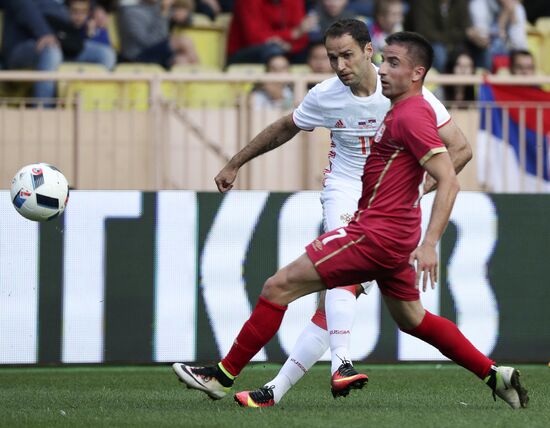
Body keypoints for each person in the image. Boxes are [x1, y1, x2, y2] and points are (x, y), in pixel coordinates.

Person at [172, 29, 529, 411]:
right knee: (412, 318)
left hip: (376, 231)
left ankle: (233, 374)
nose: (381, 69)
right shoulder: (399, 107)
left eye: (391, 63)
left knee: (279, 287)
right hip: (386, 226)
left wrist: (428, 239)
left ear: (413, 72)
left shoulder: (410, 113)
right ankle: (494, 374)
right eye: (333, 57)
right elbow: (286, 127)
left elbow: (450, 178)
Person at [1, 0, 116, 102]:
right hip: (24, 45)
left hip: (63, 42)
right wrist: (44, 33)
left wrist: (94, 8)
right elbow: (24, 7)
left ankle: (90, 109)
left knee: (106, 54)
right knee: (51, 52)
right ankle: (43, 114)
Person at [226, 0, 311, 65]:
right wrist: (292, 34)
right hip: (245, 52)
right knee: (273, 50)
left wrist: (290, 47)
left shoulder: (295, 1)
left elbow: (302, 36)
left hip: (286, 48)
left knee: (317, 52)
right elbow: (254, 38)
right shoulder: (248, 2)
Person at [368, 0, 404, 65]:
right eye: (394, 15)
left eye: (400, 14)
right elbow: (373, 56)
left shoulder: (397, 27)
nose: (398, 19)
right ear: (381, 18)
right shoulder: (374, 34)